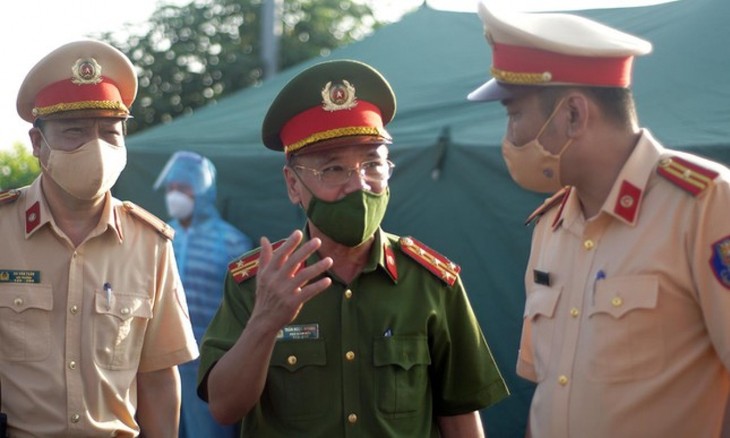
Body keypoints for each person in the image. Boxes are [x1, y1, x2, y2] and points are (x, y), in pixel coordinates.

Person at [196, 59, 509, 437]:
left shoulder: (431, 283)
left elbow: (460, 415)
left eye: (373, 165)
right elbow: (225, 408)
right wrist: (265, 321)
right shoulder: (258, 280)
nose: (359, 185)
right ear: (293, 185)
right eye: (333, 169)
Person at [467, 3, 730, 437]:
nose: (509, 138)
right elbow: (551, 392)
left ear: (573, 114)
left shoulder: (705, 205)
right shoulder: (551, 226)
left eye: (515, 115)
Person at [0, 39, 199, 437]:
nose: (97, 148)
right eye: (74, 131)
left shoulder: (150, 244)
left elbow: (159, 380)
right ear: (38, 143)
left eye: (110, 132)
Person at [154, 150, 252, 438]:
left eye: (183, 188)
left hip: (211, 366)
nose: (175, 195)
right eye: (171, 188)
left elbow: (244, 308)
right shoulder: (163, 237)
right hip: (165, 364)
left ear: (202, 191)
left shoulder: (232, 241)